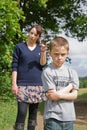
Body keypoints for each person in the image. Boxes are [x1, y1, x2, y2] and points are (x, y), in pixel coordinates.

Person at [12, 25, 47, 130]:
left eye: (35, 34)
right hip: (22, 85)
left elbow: (42, 64)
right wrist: (14, 84)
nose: (32, 36)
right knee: (22, 112)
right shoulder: (19, 47)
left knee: (33, 115)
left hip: (37, 85)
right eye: (31, 33)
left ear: (38, 36)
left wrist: (43, 52)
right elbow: (14, 66)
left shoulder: (40, 48)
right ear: (29, 32)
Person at [41, 36, 79, 130]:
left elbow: (74, 95)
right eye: (56, 54)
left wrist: (58, 94)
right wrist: (69, 87)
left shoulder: (72, 72)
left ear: (67, 54)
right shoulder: (47, 72)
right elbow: (53, 97)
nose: (59, 57)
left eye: (63, 54)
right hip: (52, 118)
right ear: (50, 53)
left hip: (69, 118)